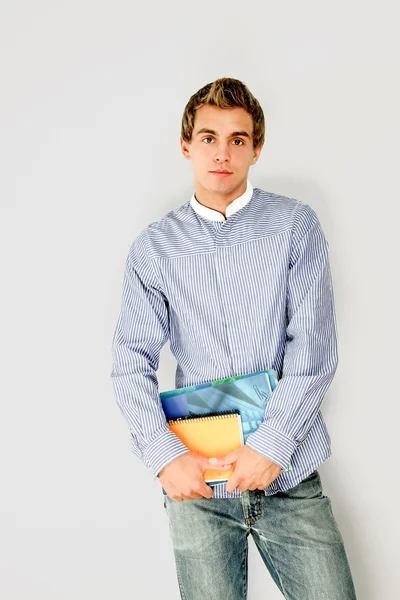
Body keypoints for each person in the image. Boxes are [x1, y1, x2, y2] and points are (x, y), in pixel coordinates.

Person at [110, 77, 357, 599]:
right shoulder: (154, 249)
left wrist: (270, 446)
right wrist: (161, 454)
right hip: (197, 483)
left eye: (237, 139)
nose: (222, 152)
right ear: (186, 145)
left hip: (288, 472)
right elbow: (131, 361)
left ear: (256, 148)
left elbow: (313, 352)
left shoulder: (295, 226)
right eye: (208, 137)